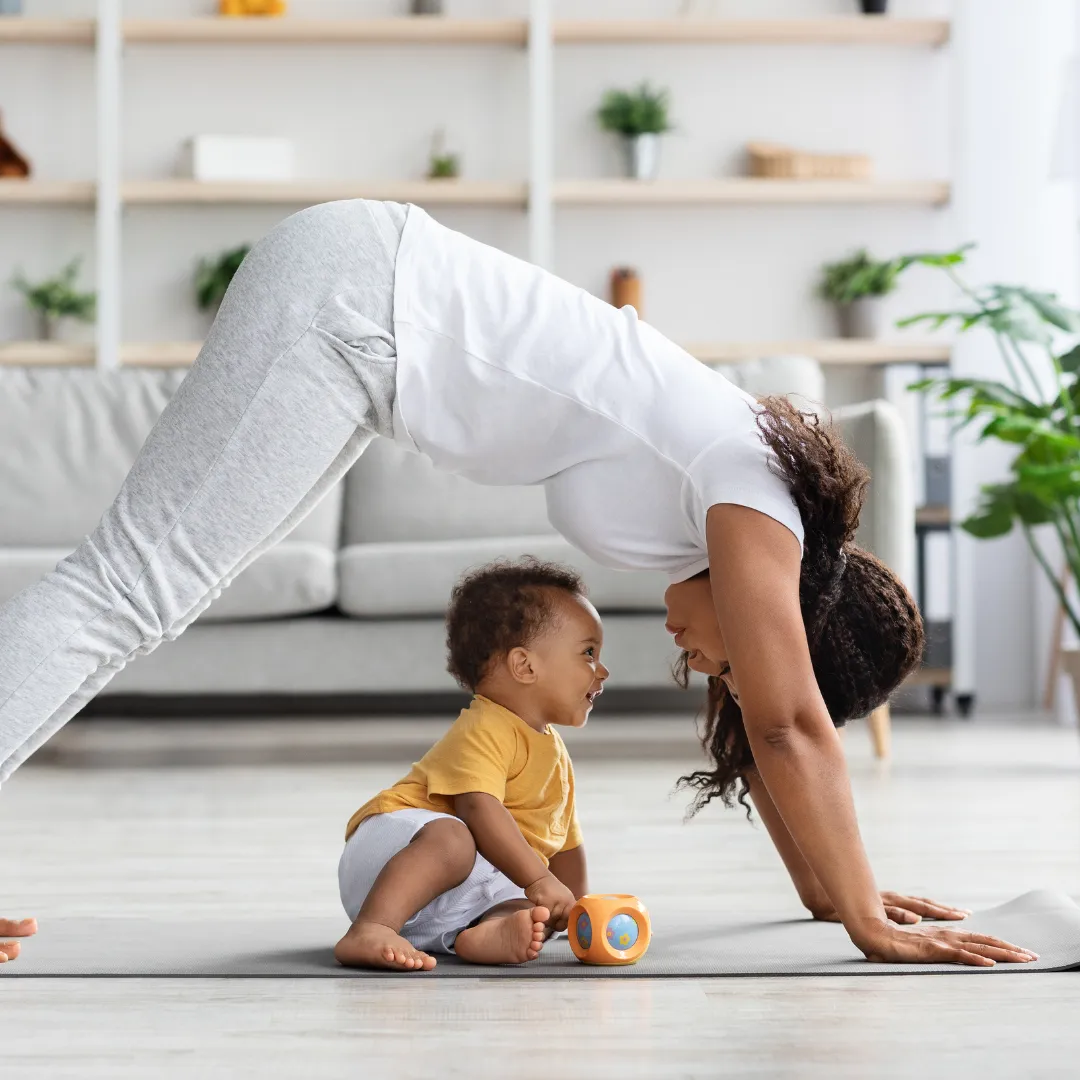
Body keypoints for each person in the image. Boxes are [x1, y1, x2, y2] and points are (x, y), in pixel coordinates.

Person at [0, 199, 1036, 968]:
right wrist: (867, 926)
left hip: (364, 328)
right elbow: (789, 725)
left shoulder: (732, 507)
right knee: (125, 592)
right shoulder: (755, 493)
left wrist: (834, 894)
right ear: (793, 621)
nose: (700, 665)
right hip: (356, 304)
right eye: (730, 655)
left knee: (143, 601)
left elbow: (767, 728)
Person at [335, 558, 602, 971]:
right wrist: (541, 881)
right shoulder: (486, 726)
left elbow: (564, 841)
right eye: (588, 653)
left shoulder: (554, 752)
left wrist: (576, 909)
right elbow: (477, 807)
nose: (602, 671)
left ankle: (480, 935)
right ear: (525, 665)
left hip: (443, 897)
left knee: (528, 910)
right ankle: (371, 927)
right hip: (394, 854)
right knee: (457, 839)